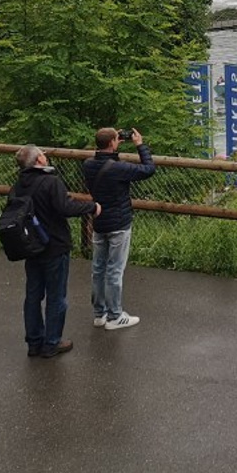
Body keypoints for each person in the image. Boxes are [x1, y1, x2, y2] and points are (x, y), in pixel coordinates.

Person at [13, 145, 99, 358]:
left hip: (31, 246)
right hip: (54, 245)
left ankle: (34, 342)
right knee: (56, 295)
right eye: (43, 154)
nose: (46, 157)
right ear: (39, 161)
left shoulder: (19, 184)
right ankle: (52, 342)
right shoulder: (51, 182)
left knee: (33, 294)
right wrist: (92, 207)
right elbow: (65, 207)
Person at [82, 127, 155, 331]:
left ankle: (100, 314)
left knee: (98, 268)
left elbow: (104, 161)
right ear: (113, 143)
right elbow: (148, 169)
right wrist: (140, 145)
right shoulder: (118, 168)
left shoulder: (88, 165)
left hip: (99, 222)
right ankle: (115, 316)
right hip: (119, 224)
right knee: (115, 270)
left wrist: (112, 145)